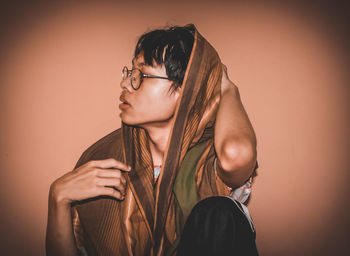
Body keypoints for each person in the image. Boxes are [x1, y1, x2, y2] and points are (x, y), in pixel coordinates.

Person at [46, 24, 259, 256]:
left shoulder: (209, 157)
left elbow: (237, 155)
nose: (125, 83)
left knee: (219, 212)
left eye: (141, 75)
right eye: (129, 73)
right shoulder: (103, 158)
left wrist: (227, 89)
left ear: (184, 89)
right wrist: (58, 197)